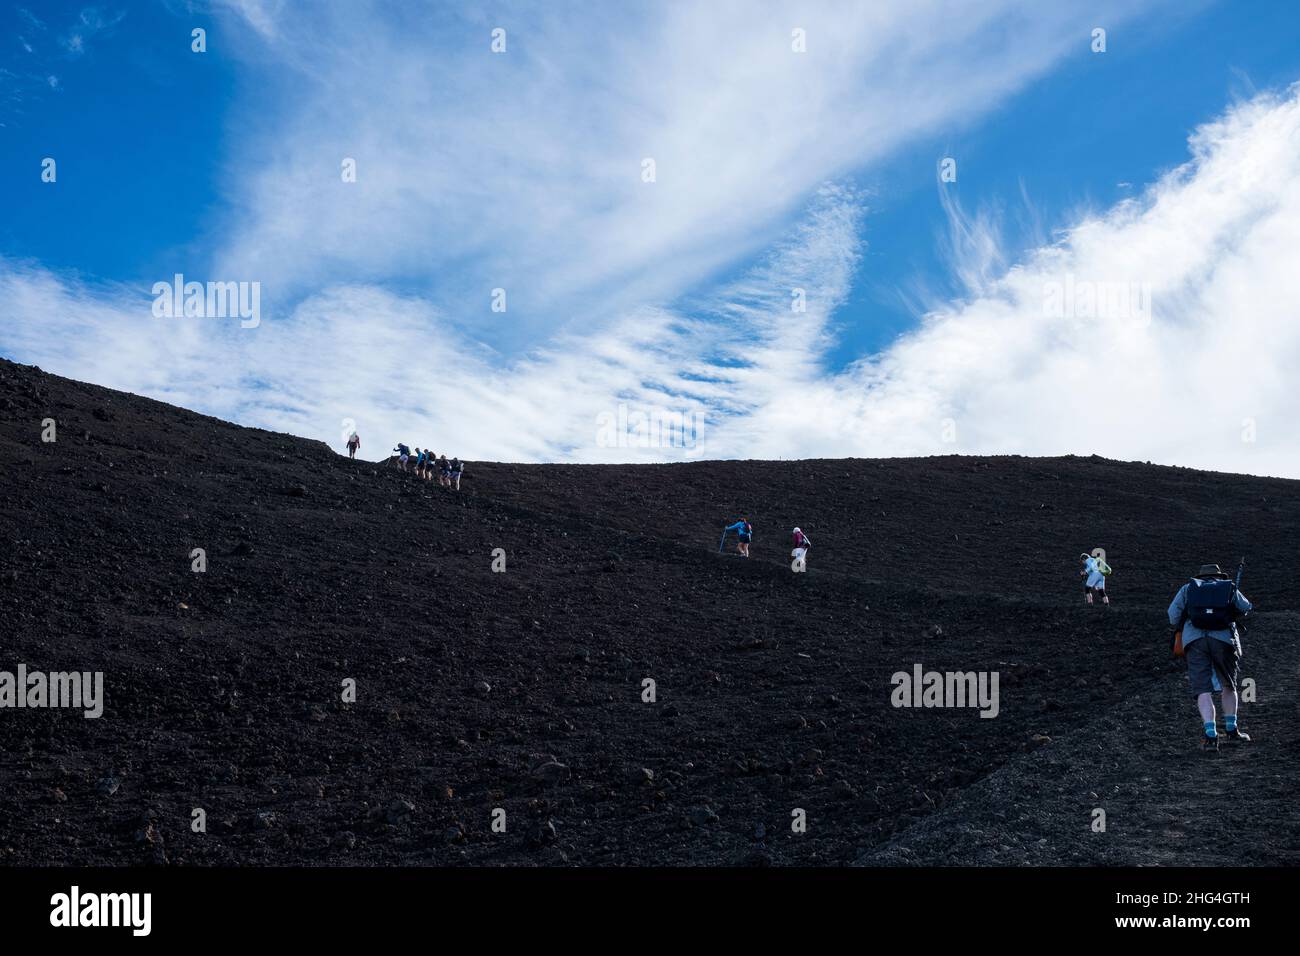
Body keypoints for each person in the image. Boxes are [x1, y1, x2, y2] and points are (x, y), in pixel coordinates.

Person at [1167, 564, 1252, 751]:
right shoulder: (1228, 587)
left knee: (1203, 688)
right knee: (1228, 685)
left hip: (1195, 641)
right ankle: (1232, 729)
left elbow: (1172, 615)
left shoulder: (1188, 588)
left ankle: (1211, 735)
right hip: (1223, 640)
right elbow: (1246, 607)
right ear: (1218, 575)